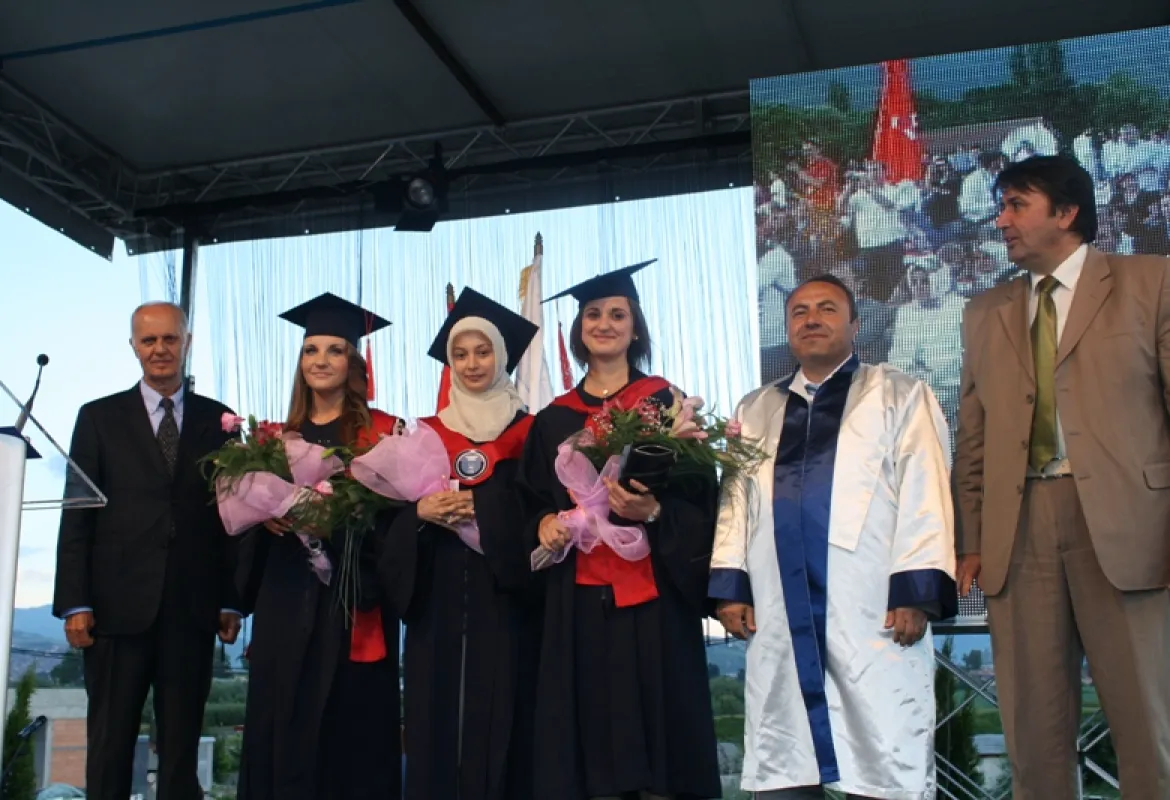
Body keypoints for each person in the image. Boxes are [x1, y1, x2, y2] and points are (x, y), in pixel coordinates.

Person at [954, 154, 1170, 799]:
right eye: (1002, 206)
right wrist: (971, 538)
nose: (1002, 220)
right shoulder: (984, 310)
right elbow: (973, 437)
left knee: (1149, 732)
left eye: (1017, 205)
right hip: (1016, 536)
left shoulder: (1149, 281)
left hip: (1133, 527)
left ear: (1067, 213)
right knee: (1034, 738)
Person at [710, 275, 957, 799]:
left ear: (854, 324)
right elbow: (735, 502)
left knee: (882, 751)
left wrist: (916, 591)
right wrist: (731, 586)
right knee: (785, 753)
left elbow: (925, 492)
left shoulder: (898, 394)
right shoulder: (756, 409)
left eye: (826, 308)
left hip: (870, 608)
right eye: (799, 312)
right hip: (779, 609)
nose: (811, 319)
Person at [517, 261, 721, 800]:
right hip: (577, 604)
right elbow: (531, 500)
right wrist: (542, 523)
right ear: (579, 331)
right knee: (584, 740)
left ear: (635, 327)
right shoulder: (553, 420)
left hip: (653, 602)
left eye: (616, 314)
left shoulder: (664, 404)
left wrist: (653, 511)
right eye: (592, 315)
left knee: (658, 738)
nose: (603, 323)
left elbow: (701, 499)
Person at [53, 301, 243, 800]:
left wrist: (231, 598)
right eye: (148, 340)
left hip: (192, 609)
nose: (159, 349)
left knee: (180, 750)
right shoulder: (96, 418)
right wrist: (76, 602)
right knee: (111, 745)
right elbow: (76, 514)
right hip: (115, 611)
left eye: (169, 339)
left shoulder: (221, 421)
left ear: (186, 341)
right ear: (134, 346)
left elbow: (234, 517)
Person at [236, 292, 402, 800]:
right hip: (286, 597)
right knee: (281, 719)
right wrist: (265, 520)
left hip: (355, 598)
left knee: (351, 731)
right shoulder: (272, 439)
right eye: (312, 350)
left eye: (335, 350)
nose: (321, 360)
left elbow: (399, 525)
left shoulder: (380, 433)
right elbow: (244, 523)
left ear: (353, 361)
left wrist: (342, 520)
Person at [381, 288, 541, 800]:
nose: (472, 364)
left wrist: (483, 510)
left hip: (506, 602)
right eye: (461, 354)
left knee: (505, 721)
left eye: (483, 351)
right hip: (437, 602)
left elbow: (545, 511)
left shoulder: (532, 432)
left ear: (501, 355)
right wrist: (419, 514)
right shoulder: (423, 434)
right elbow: (389, 526)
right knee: (434, 721)